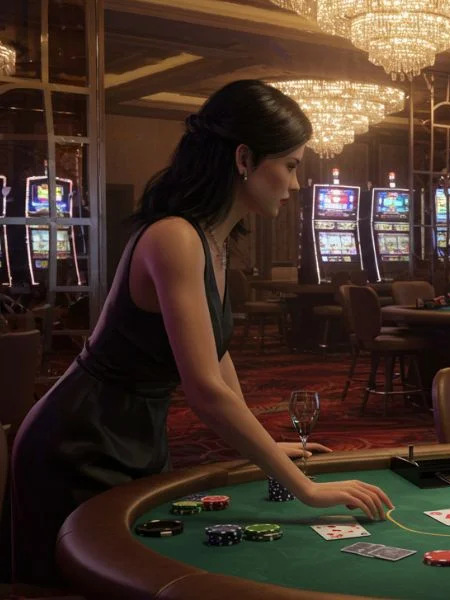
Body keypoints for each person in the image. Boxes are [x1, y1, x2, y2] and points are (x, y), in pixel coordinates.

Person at [10, 80, 392, 587]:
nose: (297, 184)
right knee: (94, 582)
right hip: (81, 438)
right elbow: (205, 390)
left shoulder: (214, 239)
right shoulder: (174, 236)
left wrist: (266, 446)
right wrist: (306, 489)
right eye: (290, 165)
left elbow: (217, 355)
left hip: (135, 431)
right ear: (244, 158)